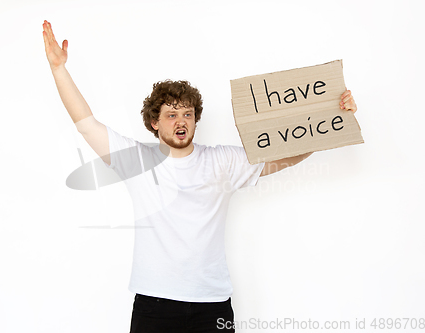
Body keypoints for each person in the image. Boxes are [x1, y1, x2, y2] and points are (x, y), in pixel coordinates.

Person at [42, 20, 357, 333]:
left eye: (188, 114)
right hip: (155, 305)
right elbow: (86, 124)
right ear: (154, 122)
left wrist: (334, 116)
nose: (181, 121)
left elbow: (286, 156)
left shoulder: (222, 161)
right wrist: (59, 70)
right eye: (172, 114)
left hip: (213, 306)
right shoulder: (137, 160)